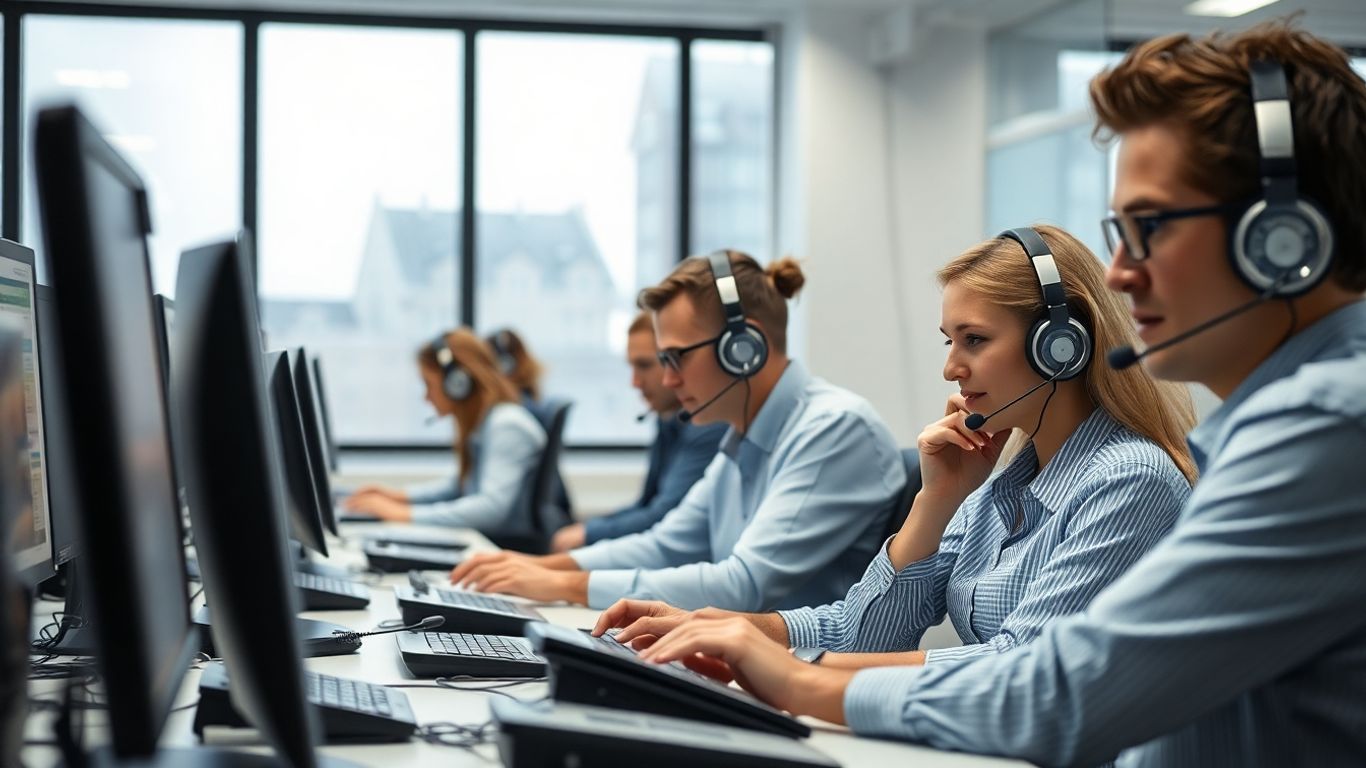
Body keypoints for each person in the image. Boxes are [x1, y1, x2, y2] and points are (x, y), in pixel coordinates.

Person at [616, 22, 1366, 766]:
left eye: (1151, 228)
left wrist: (794, 678)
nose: (1121, 272)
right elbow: (873, 630)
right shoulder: (1009, 478)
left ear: (1282, 239)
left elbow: (1054, 689)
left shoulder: (1310, 435)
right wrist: (925, 509)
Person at [597, 225, 1196, 674]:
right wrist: (936, 502)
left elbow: (1020, 666)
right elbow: (864, 632)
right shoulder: (1002, 482)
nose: (950, 369)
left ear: (1060, 346)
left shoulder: (1129, 481)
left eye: (974, 340)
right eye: (948, 341)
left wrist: (781, 665)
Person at [448, 250, 906, 610]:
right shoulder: (742, 436)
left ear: (743, 348)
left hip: (805, 679)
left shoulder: (834, 429)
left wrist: (563, 585)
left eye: (676, 358)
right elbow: (666, 545)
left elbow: (744, 584)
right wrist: (538, 566)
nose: (667, 380)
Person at [550, 311, 725, 553]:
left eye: (644, 365)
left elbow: (664, 516)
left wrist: (589, 533)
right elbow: (646, 503)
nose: (634, 382)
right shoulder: (669, 421)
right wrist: (588, 528)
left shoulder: (710, 426)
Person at [342, 328, 546, 534]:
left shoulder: (507, 426)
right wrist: (397, 497)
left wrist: (403, 514)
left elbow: (491, 509)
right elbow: (459, 485)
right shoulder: (485, 424)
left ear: (457, 383)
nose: (426, 397)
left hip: (509, 545)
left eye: (429, 384)